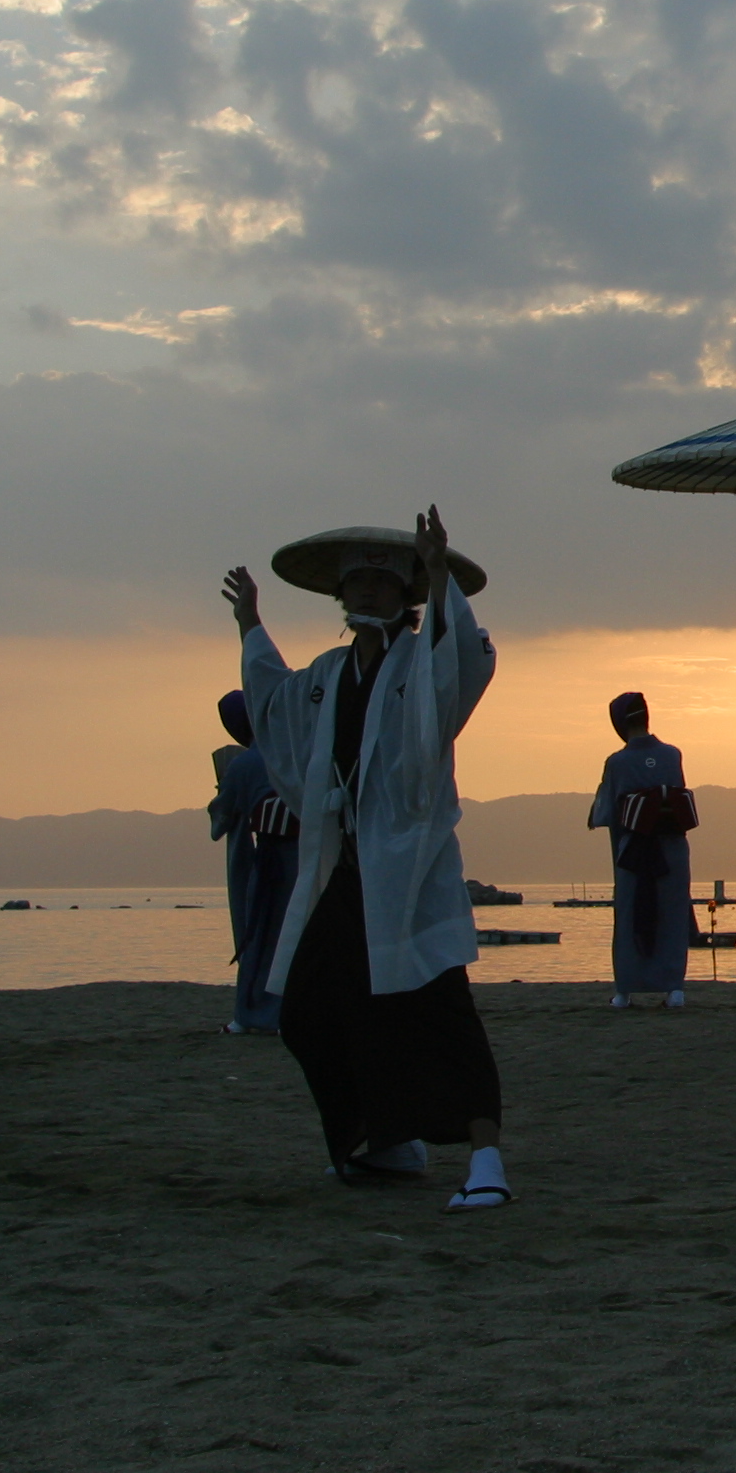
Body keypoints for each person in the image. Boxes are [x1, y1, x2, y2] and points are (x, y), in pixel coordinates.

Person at [226, 510, 514, 1213]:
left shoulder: (422, 660)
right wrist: (251, 627)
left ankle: (487, 1161)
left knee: (441, 1007)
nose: (368, 595)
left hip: (411, 864)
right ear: (341, 596)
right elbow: (274, 708)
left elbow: (467, 659)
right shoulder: (327, 674)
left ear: (406, 595)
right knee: (310, 1007)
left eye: (383, 585)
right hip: (345, 865)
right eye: (357, 584)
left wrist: (441, 571)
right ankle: (385, 1140)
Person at [590, 691, 695, 1008]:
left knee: (630, 914)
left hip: (634, 849)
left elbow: (610, 813)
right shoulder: (672, 754)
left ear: (619, 723)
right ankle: (674, 988)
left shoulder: (618, 762)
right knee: (672, 914)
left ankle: (624, 991)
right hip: (673, 848)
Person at [208, 689, 299, 1035]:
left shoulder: (244, 765)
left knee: (262, 935)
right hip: (316, 854)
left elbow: (222, 818)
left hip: (275, 859)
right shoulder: (299, 752)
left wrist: (223, 791)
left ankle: (257, 1014)